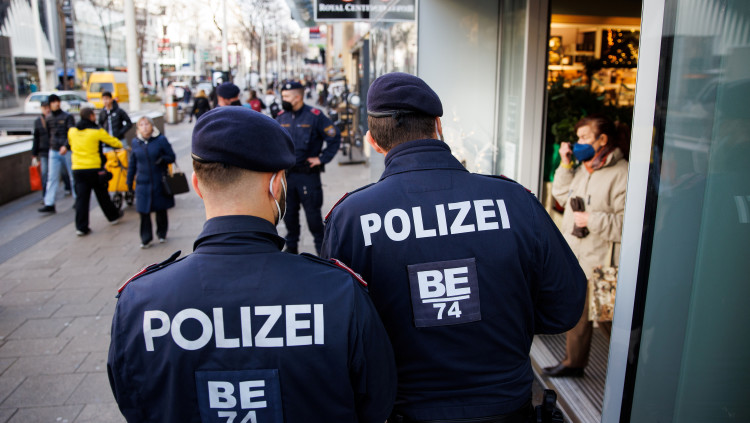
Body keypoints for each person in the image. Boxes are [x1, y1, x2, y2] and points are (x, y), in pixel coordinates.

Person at [321, 72, 586, 423]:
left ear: (373, 141)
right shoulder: (513, 201)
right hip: (506, 406)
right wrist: (502, 317)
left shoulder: (352, 217)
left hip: (405, 408)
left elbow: (337, 334)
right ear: (438, 126)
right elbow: (564, 309)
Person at [108, 106, 397, 422]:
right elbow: (376, 402)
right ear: (276, 185)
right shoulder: (338, 292)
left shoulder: (139, 302)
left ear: (197, 185)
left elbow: (134, 404)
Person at [544, 114, 629, 378]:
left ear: (602, 139)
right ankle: (573, 363)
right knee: (578, 313)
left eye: (584, 138)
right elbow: (561, 194)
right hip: (578, 257)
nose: (578, 143)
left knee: (607, 319)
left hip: (604, 262)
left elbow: (629, 224)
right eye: (577, 137)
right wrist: (565, 163)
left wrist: (593, 220)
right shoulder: (584, 169)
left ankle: (631, 368)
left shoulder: (622, 173)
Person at [275, 81, 340, 254]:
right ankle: (292, 251)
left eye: (286, 96)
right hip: (287, 177)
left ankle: (323, 254)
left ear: (297, 97)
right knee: (289, 217)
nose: (283, 99)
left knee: (314, 220)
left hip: (308, 176)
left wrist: (322, 159)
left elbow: (334, 137)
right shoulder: (281, 116)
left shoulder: (315, 116)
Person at [68, 108, 124, 236]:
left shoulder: (72, 131)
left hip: (78, 169)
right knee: (102, 195)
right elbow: (115, 143)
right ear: (91, 116)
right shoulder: (96, 131)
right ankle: (113, 217)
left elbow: (71, 144)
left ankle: (81, 227)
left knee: (81, 199)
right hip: (94, 168)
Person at [126, 117, 176, 249]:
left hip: (159, 181)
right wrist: (129, 182)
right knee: (144, 211)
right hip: (143, 183)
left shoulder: (161, 140)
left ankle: (162, 233)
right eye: (141, 125)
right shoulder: (135, 142)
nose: (144, 127)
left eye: (147, 124)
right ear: (138, 128)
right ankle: (146, 238)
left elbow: (172, 156)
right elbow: (132, 163)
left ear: (152, 126)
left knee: (161, 209)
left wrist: (163, 159)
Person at [39, 94, 76, 214]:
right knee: (51, 177)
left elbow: (72, 133)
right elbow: (49, 133)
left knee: (73, 175)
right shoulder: (48, 118)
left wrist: (66, 146)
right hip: (54, 150)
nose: (56, 104)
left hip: (67, 151)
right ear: (50, 104)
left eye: (57, 101)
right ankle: (49, 203)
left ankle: (78, 199)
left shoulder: (67, 116)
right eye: (53, 102)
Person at [31, 101, 51, 202]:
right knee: (44, 173)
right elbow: (36, 138)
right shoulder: (38, 121)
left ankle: (67, 187)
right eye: (44, 108)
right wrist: (34, 154)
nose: (47, 110)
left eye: (48, 108)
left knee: (64, 171)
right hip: (44, 151)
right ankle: (45, 196)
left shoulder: (53, 118)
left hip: (55, 149)